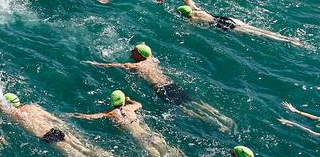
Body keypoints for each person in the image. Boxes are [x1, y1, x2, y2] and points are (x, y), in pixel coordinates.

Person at [85, 42, 232, 129]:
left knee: (185, 108)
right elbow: (148, 53)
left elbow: (113, 65)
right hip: (171, 84)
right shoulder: (152, 60)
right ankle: (223, 118)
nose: (131, 51)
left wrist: (94, 63)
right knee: (193, 102)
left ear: (139, 55)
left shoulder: (136, 66)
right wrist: (142, 44)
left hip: (161, 89)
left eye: (134, 50)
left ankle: (214, 122)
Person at [156, 0, 305, 47]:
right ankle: (288, 38)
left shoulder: (191, 20)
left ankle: (288, 40)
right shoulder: (196, 9)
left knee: (259, 34)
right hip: (227, 19)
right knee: (258, 29)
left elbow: (183, 32)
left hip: (223, 26)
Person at [68, 90, 185, 156]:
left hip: (139, 139)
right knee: (169, 152)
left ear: (112, 102)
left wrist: (75, 115)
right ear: (123, 100)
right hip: (149, 134)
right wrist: (129, 100)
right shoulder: (130, 108)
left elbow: (92, 116)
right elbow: (139, 104)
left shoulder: (110, 113)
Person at [0, 91, 112, 156]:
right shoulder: (33, 107)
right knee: (85, 148)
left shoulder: (15, 114)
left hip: (47, 136)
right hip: (55, 129)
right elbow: (53, 118)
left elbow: (0, 106)